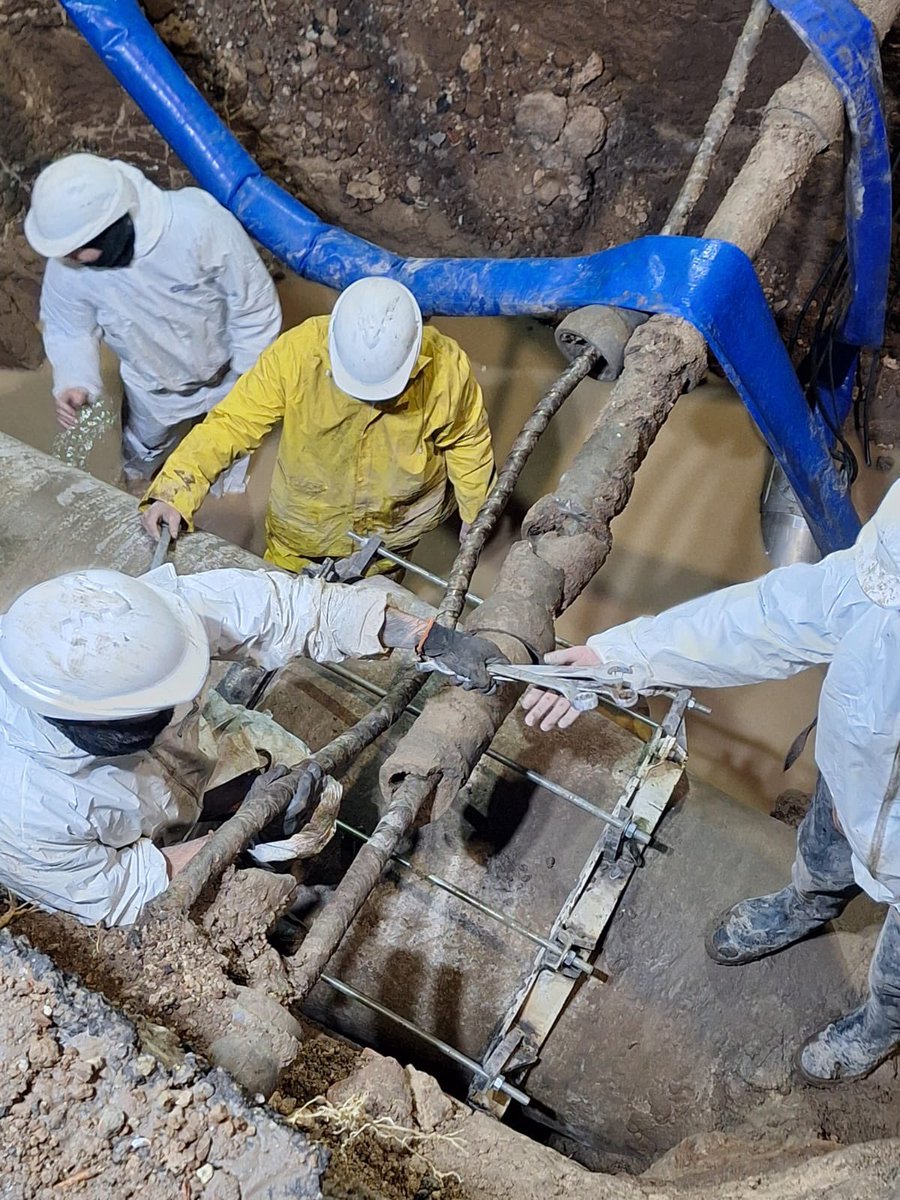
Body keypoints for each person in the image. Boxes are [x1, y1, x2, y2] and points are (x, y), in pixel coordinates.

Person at [520, 480, 900, 1087]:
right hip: (854, 772)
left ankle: (882, 1024)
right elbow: (780, 617)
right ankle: (806, 905)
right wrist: (622, 658)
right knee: (823, 853)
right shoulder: (893, 559)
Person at [0, 565, 506, 926]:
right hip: (144, 844)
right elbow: (123, 890)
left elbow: (283, 607)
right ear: (103, 728)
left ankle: (272, 841)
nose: (176, 704)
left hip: (198, 757)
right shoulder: (23, 811)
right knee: (234, 885)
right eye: (159, 708)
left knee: (319, 799)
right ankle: (276, 887)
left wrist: (425, 637)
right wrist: (245, 839)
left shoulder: (142, 624)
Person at [139, 276, 496, 572]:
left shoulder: (446, 369)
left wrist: (475, 509)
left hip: (393, 533)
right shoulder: (298, 354)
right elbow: (233, 423)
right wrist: (174, 491)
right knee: (281, 610)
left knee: (372, 610)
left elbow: (467, 441)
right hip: (303, 529)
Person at [24, 154, 282, 485]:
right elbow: (68, 328)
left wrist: (248, 384)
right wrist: (75, 380)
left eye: (76, 250)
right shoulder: (69, 268)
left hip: (229, 379)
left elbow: (254, 309)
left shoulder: (197, 225)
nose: (68, 258)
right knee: (142, 451)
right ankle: (134, 485)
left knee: (222, 456)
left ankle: (217, 502)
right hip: (151, 390)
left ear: (108, 231)